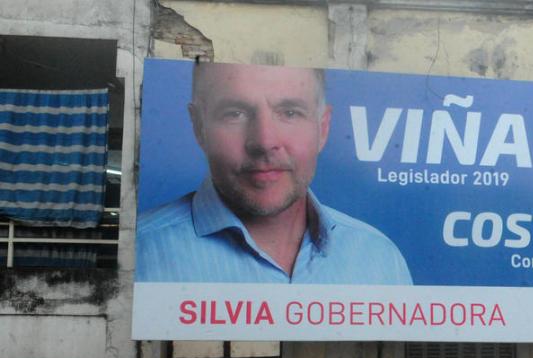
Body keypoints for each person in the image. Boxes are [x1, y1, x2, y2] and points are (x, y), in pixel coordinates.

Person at [136, 61, 411, 284]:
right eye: (235, 113)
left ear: (323, 128)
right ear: (198, 127)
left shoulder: (380, 258)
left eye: (290, 113)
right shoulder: (140, 253)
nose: (265, 142)